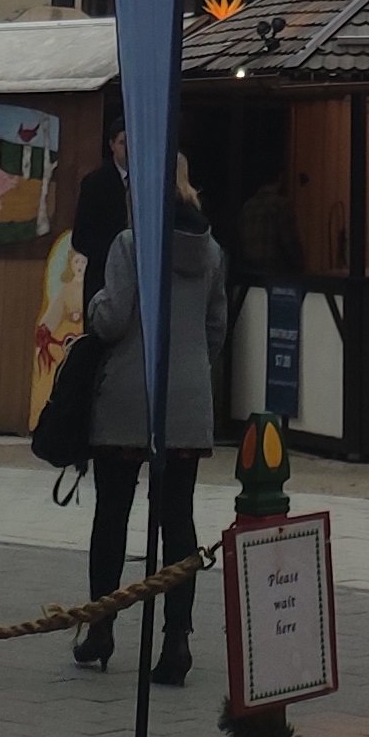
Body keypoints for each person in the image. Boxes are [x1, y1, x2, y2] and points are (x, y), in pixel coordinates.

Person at [75, 151, 228, 687]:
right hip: (185, 398)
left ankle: (101, 627)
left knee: (112, 514)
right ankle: (176, 639)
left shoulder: (130, 243)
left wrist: (93, 304)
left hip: (128, 394)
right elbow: (216, 327)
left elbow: (112, 319)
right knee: (178, 520)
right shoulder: (211, 250)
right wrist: (192, 369)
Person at [71, 110, 131, 269]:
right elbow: (80, 238)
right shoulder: (95, 183)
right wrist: (114, 253)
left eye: (133, 142)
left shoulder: (147, 183)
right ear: (112, 145)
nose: (128, 149)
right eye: (123, 143)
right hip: (103, 271)